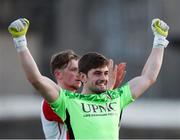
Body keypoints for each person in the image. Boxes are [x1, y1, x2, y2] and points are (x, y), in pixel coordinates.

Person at [8, 18, 169, 139]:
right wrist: (21, 42)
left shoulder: (116, 97)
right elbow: (36, 79)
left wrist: (159, 40)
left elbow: (149, 77)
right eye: (98, 74)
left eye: (106, 73)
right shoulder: (69, 101)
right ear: (83, 77)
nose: (104, 78)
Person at [40, 50, 126, 139]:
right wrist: (108, 92)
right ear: (58, 74)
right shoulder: (50, 103)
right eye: (73, 69)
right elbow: (90, 120)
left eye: (80, 70)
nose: (78, 74)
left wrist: (106, 91)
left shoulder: (76, 101)